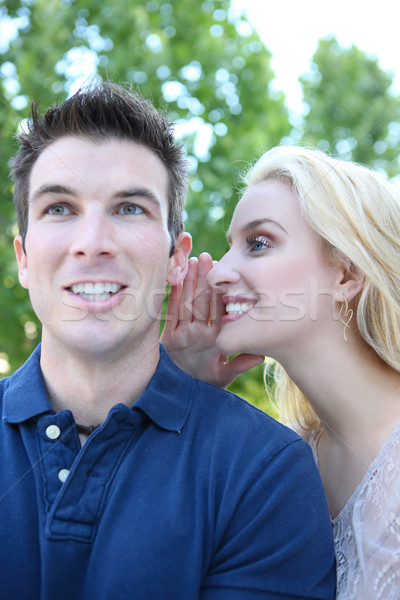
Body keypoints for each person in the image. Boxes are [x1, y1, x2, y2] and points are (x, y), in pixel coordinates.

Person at [0, 84, 335, 600]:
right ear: (23, 257)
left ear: (177, 257)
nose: (93, 243)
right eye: (60, 209)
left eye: (130, 209)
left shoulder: (263, 469)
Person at [161, 144, 400, 600]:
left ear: (346, 275)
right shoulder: (277, 461)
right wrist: (184, 393)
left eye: (258, 244)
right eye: (232, 246)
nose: (218, 273)